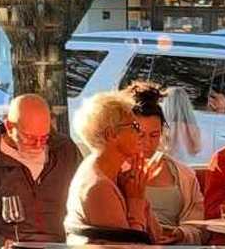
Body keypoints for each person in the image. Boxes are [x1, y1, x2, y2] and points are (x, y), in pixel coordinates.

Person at [0, 94, 82, 249]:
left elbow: (87, 206)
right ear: (9, 127)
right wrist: (0, 246)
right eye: (30, 138)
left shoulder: (65, 150)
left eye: (44, 137)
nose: (38, 145)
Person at [65, 91, 174, 245]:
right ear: (111, 134)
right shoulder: (99, 187)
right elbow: (135, 246)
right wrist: (136, 200)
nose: (140, 133)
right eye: (134, 126)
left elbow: (156, 235)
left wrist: (138, 192)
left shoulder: (114, 175)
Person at [127, 82, 207, 244]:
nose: (147, 143)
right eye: (140, 135)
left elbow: (200, 227)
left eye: (154, 135)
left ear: (163, 132)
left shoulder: (183, 174)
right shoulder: (113, 171)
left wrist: (181, 234)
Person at [160, 87, 202, 163]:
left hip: (170, 169)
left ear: (167, 103)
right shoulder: (193, 127)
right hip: (189, 168)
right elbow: (197, 149)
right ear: (186, 104)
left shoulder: (163, 126)